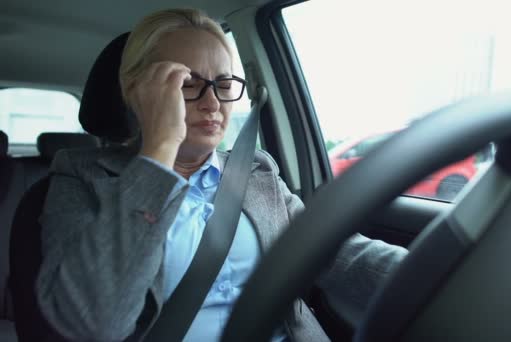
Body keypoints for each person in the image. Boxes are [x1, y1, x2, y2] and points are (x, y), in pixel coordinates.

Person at [36, 8, 408, 341]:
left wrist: (435, 270)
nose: (213, 103)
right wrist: (160, 149)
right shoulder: (80, 177)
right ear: (136, 92)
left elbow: (334, 251)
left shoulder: (256, 172)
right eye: (187, 83)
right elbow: (94, 323)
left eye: (224, 84)